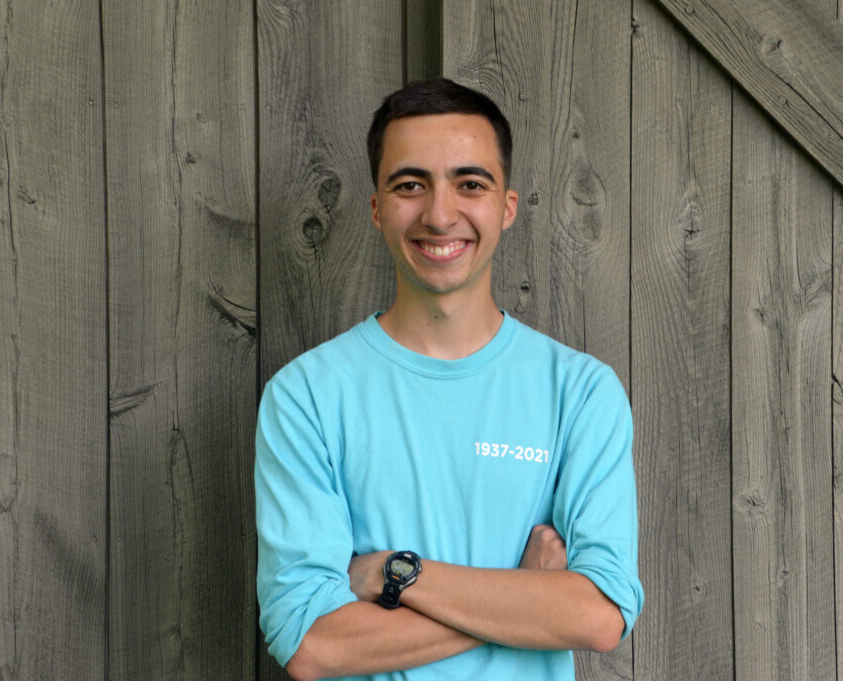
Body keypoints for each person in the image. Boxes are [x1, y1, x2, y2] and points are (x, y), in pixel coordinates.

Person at [255, 78, 643, 681]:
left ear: (506, 206)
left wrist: (397, 573)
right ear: (377, 208)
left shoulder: (582, 392)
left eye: (470, 184)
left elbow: (599, 614)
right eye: (410, 185)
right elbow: (313, 646)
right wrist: (524, 595)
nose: (439, 215)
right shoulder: (305, 396)